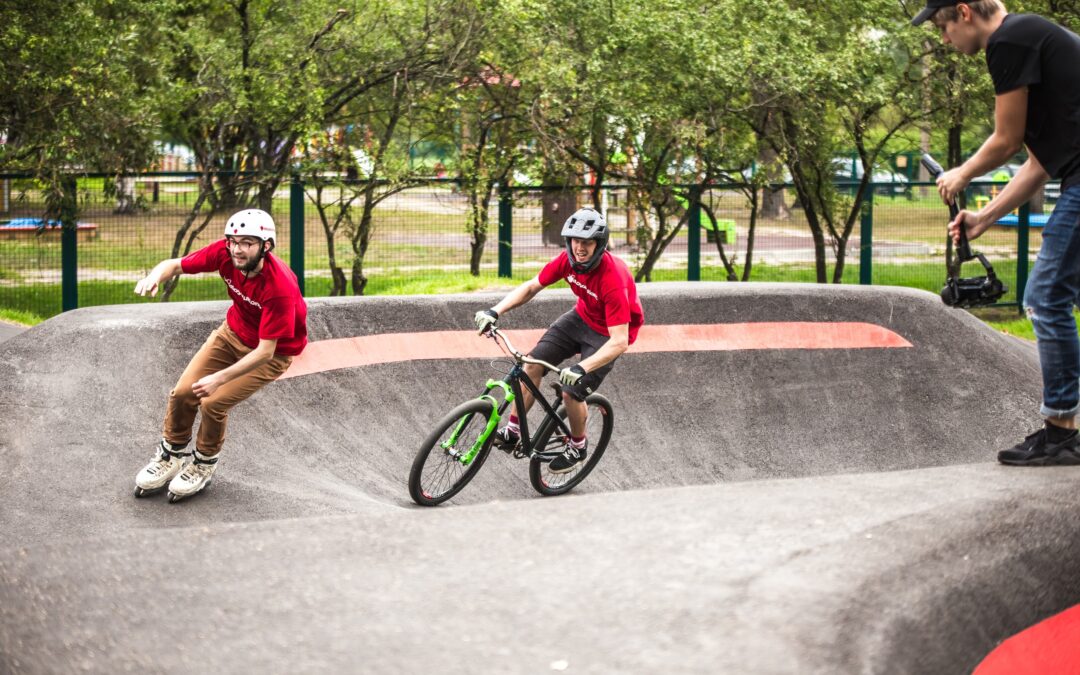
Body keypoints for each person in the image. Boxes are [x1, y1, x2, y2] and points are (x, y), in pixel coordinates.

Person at [914, 0, 1080, 466]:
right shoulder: (1035, 40)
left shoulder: (1008, 40)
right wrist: (983, 218)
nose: (945, 42)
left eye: (944, 29)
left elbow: (1006, 140)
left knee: (1045, 297)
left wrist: (961, 174)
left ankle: (1062, 433)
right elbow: (1038, 164)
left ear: (964, 13)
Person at [132, 209, 308, 499]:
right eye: (234, 241)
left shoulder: (280, 287)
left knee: (213, 402)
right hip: (232, 333)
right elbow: (174, 265)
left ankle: (203, 463)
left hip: (272, 354)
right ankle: (171, 454)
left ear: (266, 245)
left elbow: (266, 352)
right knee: (183, 393)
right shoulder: (224, 254)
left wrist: (218, 378)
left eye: (248, 243)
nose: (238, 249)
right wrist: (154, 276)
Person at [474, 206, 644, 473]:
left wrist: (581, 368)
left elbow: (620, 341)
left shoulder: (614, 279)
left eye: (587, 242)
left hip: (607, 335)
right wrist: (495, 310)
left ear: (599, 244)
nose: (580, 247)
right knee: (531, 364)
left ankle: (578, 446)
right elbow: (532, 286)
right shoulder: (567, 260)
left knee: (571, 392)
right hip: (580, 318)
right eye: (575, 240)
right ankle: (513, 431)